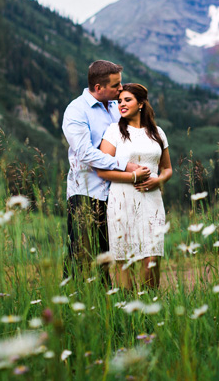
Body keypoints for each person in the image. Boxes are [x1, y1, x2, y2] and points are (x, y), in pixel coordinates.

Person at [62, 61, 150, 280]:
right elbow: (85, 154)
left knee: (107, 257)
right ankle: (71, 306)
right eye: (116, 85)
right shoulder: (76, 111)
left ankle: (106, 307)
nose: (121, 89)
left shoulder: (115, 106)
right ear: (98, 87)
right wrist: (125, 166)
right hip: (86, 193)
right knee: (80, 258)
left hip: (117, 193)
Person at [97, 83, 172, 290]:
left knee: (152, 259)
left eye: (127, 100)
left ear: (140, 103)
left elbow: (167, 168)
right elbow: (102, 171)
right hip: (122, 199)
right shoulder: (113, 132)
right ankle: (127, 310)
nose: (121, 104)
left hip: (152, 200)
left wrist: (158, 180)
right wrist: (133, 177)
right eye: (119, 101)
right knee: (125, 260)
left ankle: (150, 305)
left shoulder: (157, 132)